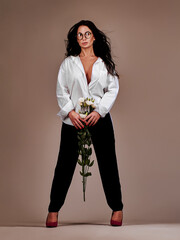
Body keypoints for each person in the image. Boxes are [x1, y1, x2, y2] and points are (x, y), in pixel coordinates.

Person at [46, 20, 124, 227]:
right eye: (79, 35)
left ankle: (117, 208)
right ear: (76, 39)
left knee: (108, 163)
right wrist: (69, 112)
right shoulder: (68, 63)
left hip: (99, 118)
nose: (83, 38)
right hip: (75, 120)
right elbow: (61, 89)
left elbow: (112, 90)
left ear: (94, 36)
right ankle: (53, 210)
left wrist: (100, 112)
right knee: (64, 165)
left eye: (87, 33)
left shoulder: (104, 63)